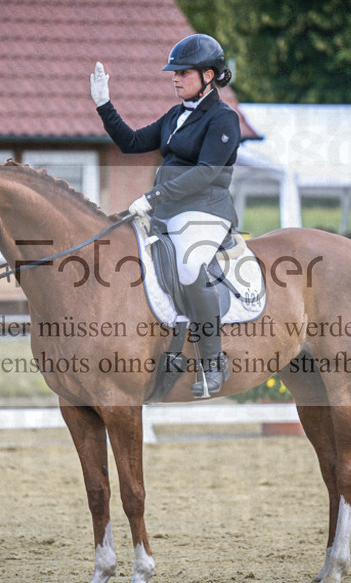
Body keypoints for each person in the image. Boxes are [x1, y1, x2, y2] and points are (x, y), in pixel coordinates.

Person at [90, 34, 240, 397]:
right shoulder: (176, 115)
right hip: (167, 211)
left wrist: (153, 196)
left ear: (208, 75)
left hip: (205, 212)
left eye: (183, 72)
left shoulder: (223, 119)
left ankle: (213, 361)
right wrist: (104, 105)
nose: (174, 78)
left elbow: (205, 172)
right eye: (173, 72)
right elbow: (131, 142)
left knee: (189, 269)